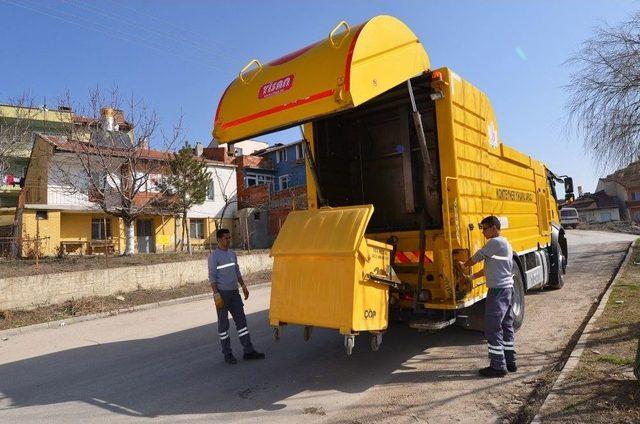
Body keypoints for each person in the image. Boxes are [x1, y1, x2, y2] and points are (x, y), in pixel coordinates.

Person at [460, 215, 516, 378]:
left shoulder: (495, 242)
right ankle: (510, 361)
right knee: (506, 326)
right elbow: (489, 269)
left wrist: (464, 266)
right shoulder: (505, 244)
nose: (483, 232)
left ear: (493, 227)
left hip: (497, 292)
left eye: (485, 228)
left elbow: (478, 256)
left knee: (492, 328)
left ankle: (498, 366)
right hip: (507, 289)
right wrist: (471, 278)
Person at [209, 228, 265, 364]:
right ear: (219, 240)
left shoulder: (232, 254)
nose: (228, 240)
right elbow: (212, 277)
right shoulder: (214, 256)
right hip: (222, 294)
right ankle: (227, 354)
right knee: (223, 326)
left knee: (242, 323)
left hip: (234, 293)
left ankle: (248, 351)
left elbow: (237, 271)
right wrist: (216, 294)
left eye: (229, 238)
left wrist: (243, 286)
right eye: (226, 238)